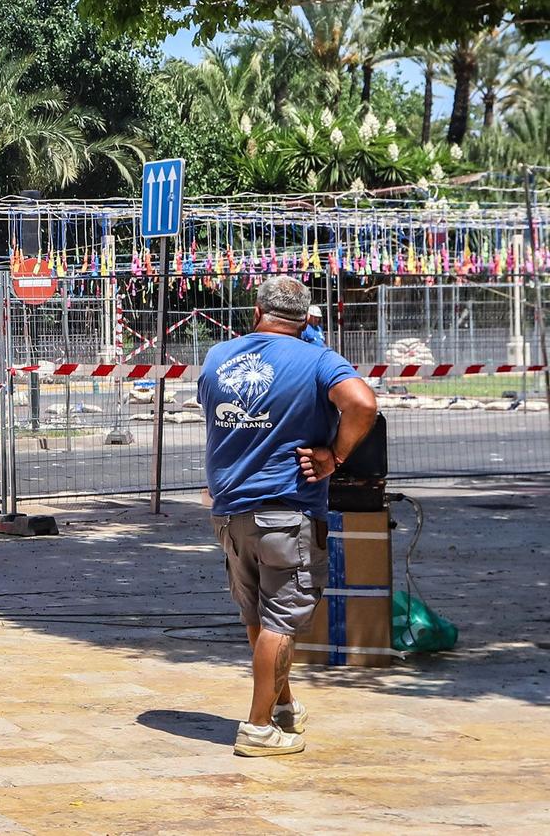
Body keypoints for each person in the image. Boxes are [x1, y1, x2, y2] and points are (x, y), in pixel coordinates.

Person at [196, 276, 378, 757]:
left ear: (256, 312)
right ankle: (257, 729)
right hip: (287, 511)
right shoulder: (318, 359)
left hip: (231, 513)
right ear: (307, 320)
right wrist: (334, 457)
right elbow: (362, 404)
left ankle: (281, 706)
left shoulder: (219, 357)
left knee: (258, 613)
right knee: (281, 618)